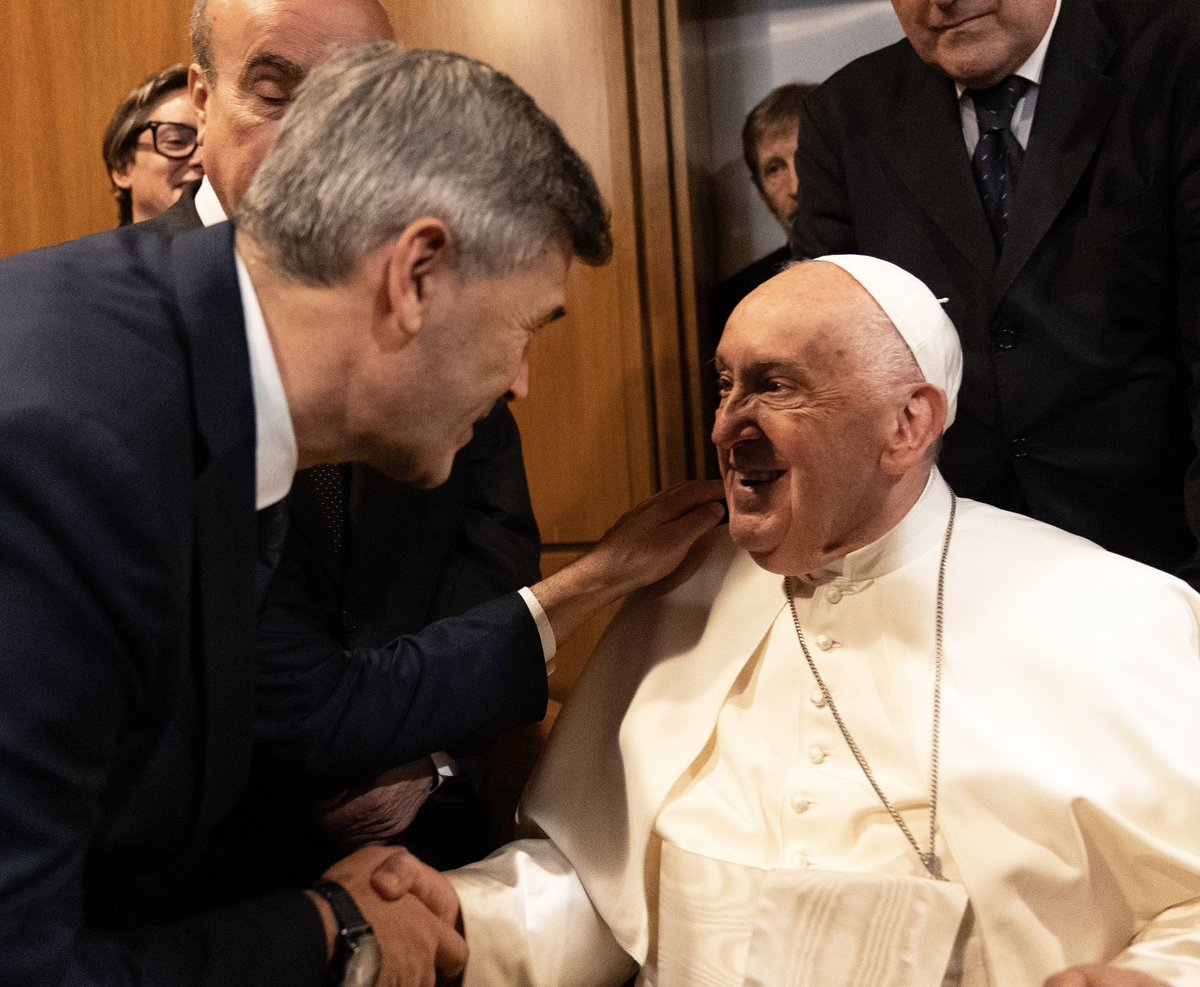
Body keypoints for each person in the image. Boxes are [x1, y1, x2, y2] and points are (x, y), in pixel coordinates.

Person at [0, 42, 725, 986]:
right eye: (523, 327)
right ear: (416, 274)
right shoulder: (71, 445)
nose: (522, 380)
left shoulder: (205, 377)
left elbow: (302, 701)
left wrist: (604, 577)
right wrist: (325, 926)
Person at [434, 256, 1200, 986]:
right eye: (725, 384)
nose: (728, 426)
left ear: (908, 423)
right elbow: (603, 899)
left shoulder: (1111, 613)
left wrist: (1147, 975)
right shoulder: (682, 594)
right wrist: (453, 917)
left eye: (775, 386)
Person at [150, 0, 546, 868]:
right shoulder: (120, 330)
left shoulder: (434, 287)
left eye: (354, 105)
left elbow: (493, 542)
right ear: (201, 97)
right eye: (275, 91)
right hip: (198, 874)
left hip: (426, 831)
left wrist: (433, 756)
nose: (316, 144)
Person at [790, 0, 1200, 588]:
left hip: (1157, 556)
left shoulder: (1177, 58)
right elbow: (828, 363)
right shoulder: (846, 113)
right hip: (944, 578)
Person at [709, 82, 813, 339]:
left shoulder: (894, 270)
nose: (796, 186)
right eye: (775, 168)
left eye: (807, 158)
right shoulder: (737, 304)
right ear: (760, 190)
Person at [101, 63, 203, 225]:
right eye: (176, 141)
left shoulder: (243, 248)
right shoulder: (94, 250)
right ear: (123, 168)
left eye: (209, 144)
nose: (202, 158)